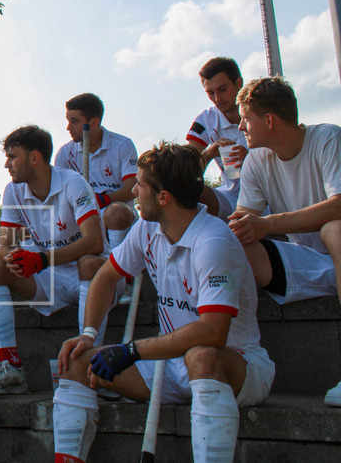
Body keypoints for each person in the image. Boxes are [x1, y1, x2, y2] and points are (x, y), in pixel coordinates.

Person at [53, 143, 273, 463]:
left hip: (235, 366)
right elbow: (106, 276)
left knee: (201, 355)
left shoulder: (214, 241)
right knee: (75, 363)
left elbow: (213, 332)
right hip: (170, 366)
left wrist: (131, 350)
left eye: (140, 185)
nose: (133, 191)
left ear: (164, 197)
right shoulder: (147, 228)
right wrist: (88, 334)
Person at [227, 77, 341, 406]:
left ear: (269, 120)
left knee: (334, 229)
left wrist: (268, 224)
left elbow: (339, 205)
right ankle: (235, 359)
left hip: (336, 246)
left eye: (245, 119)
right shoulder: (256, 160)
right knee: (236, 246)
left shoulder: (327, 138)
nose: (241, 127)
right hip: (308, 262)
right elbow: (244, 221)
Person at [0, 126, 110, 394]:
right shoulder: (13, 190)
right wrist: (14, 257)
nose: (6, 164)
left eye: (12, 156)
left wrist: (40, 259)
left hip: (92, 275)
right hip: (50, 276)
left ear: (34, 157)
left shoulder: (73, 182)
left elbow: (94, 242)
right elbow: (4, 246)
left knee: (89, 262)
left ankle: (89, 362)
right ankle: (11, 366)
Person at [54, 93, 138, 250]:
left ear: (94, 122)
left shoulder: (123, 144)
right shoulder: (65, 153)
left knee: (117, 212)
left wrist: (103, 200)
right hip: (82, 213)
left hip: (117, 213)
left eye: (74, 122)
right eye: (68, 121)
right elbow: (58, 195)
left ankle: (116, 259)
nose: (68, 128)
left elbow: (132, 188)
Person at [185, 57, 248, 222]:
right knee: (189, 190)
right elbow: (183, 169)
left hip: (269, 195)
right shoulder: (206, 120)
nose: (217, 99)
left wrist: (251, 160)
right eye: (211, 93)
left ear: (239, 83)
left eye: (222, 89)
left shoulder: (263, 110)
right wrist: (209, 153)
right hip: (231, 197)